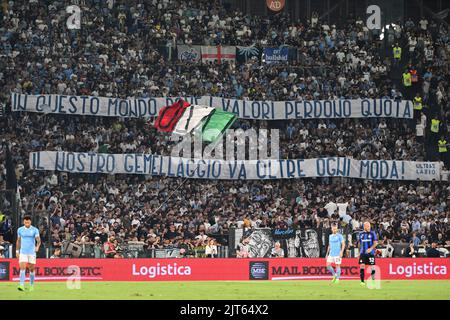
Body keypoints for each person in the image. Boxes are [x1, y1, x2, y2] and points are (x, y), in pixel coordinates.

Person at [16, 215, 41, 291]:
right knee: (22, 267)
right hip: (23, 252)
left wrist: (37, 246)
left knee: (32, 269)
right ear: (23, 221)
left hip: (31, 252)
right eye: (25, 221)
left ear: (30, 221)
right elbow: (18, 241)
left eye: (28, 221)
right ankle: (21, 285)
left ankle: (31, 285)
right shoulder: (20, 230)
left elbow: (38, 240)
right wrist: (17, 251)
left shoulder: (35, 230)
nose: (27, 222)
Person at [357, 221, 378, 287]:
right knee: (362, 266)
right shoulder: (361, 234)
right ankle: (362, 281)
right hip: (363, 253)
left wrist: (371, 249)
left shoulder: (372, 233)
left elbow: (375, 243)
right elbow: (359, 244)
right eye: (368, 226)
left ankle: (373, 281)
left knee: (372, 267)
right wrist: (359, 253)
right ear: (364, 227)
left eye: (369, 226)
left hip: (371, 253)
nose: (369, 227)